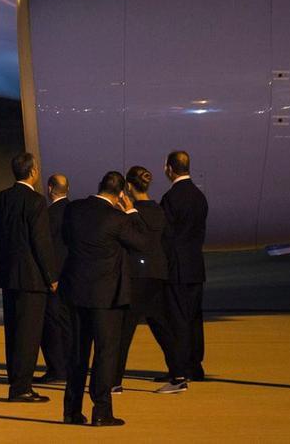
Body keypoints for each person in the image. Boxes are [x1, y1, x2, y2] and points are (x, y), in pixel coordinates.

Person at [60, 172, 147, 426]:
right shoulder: (118, 219)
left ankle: (71, 410)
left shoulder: (74, 210)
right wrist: (131, 212)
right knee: (105, 353)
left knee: (77, 353)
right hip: (106, 297)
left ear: (99, 186)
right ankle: (101, 410)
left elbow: (66, 239)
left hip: (75, 292)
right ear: (121, 194)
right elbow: (141, 243)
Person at [0, 152, 57, 402]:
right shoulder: (36, 201)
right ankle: (22, 387)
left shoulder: (1, 199)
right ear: (32, 172)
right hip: (31, 278)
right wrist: (51, 275)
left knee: (14, 331)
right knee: (29, 334)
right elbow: (41, 241)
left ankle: (15, 378)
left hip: (9, 275)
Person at [116, 165, 181, 394]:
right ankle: (178, 374)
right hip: (158, 273)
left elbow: (132, 240)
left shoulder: (132, 213)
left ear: (130, 187)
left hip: (138, 275)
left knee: (124, 330)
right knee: (161, 325)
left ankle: (114, 380)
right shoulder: (159, 210)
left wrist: (127, 212)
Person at [158, 150, 209, 385]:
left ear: (170, 168)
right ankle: (195, 364)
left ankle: (179, 367)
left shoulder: (170, 198)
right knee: (194, 317)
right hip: (195, 266)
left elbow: (165, 235)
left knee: (177, 318)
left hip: (176, 268)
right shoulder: (199, 197)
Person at [38, 173, 72, 383]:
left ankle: (57, 368)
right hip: (73, 276)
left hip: (55, 278)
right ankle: (70, 365)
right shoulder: (75, 212)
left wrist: (50, 276)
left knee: (51, 325)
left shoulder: (48, 216)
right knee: (69, 325)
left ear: (50, 188)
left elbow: (46, 249)